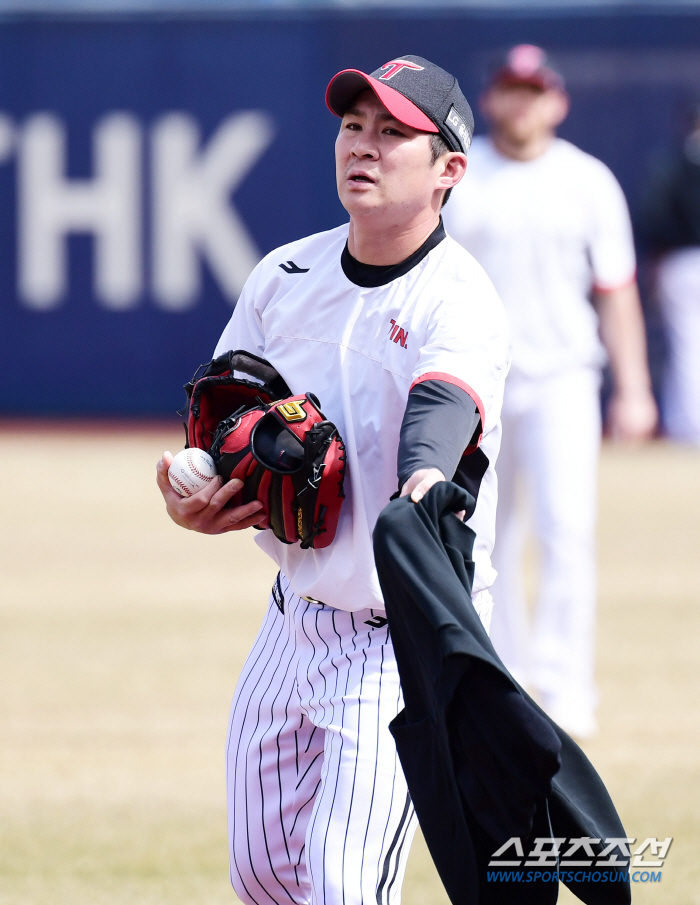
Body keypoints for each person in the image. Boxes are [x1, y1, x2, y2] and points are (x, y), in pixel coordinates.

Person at [156, 55, 510, 905]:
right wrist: (194, 493)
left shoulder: (457, 297)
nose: (365, 145)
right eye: (355, 126)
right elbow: (221, 420)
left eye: (395, 133)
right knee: (263, 876)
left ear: (449, 170)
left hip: (404, 637)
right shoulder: (285, 275)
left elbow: (443, 406)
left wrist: (424, 479)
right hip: (293, 620)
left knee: (345, 885)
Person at [444, 44, 658, 739]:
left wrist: (634, 388)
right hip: (483, 376)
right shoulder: (464, 178)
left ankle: (568, 687)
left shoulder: (588, 181)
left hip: (566, 375)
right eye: (511, 90)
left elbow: (616, 290)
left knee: (568, 531)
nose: (522, 103)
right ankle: (503, 674)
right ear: (493, 98)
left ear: (557, 101)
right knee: (483, 535)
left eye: (534, 91)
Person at [639, 101, 700, 445]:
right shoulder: (674, 165)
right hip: (682, 262)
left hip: (682, 264)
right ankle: (688, 428)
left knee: (688, 347)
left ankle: (689, 429)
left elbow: (654, 218)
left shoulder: (674, 165)